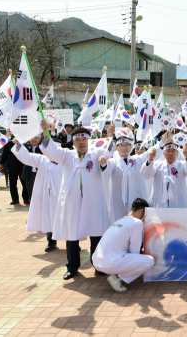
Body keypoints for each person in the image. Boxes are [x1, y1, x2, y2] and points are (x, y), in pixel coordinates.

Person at [39, 120, 115, 280]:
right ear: (73, 142)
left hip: (93, 202)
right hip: (72, 202)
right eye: (78, 140)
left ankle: (97, 265)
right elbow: (51, 151)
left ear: (89, 141)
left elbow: (107, 152)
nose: (82, 143)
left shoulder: (94, 154)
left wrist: (110, 136)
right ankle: (72, 267)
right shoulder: (67, 155)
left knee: (96, 233)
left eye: (84, 140)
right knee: (71, 233)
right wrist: (46, 133)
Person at [12, 136, 63, 252]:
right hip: (46, 194)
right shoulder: (42, 159)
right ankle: (51, 241)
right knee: (48, 215)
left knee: (66, 217)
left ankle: (73, 242)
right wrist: (19, 145)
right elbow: (27, 157)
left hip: (62, 194)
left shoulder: (66, 159)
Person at [92, 198, 155, 292]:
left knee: (131, 258)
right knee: (150, 261)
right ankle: (116, 277)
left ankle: (117, 274)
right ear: (142, 211)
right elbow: (135, 250)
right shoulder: (137, 223)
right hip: (110, 264)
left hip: (96, 262)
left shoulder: (120, 220)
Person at [102, 130, 161, 223]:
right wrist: (103, 163)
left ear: (131, 147)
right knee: (120, 225)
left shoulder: (137, 159)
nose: (124, 148)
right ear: (116, 147)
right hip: (119, 202)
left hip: (136, 200)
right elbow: (106, 171)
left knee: (138, 225)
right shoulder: (113, 162)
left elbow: (151, 152)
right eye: (121, 145)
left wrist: (163, 140)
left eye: (127, 145)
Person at [140, 139, 187, 208]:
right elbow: (146, 175)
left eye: (173, 151)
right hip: (160, 205)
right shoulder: (157, 165)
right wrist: (150, 159)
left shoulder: (182, 165)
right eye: (168, 151)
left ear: (177, 153)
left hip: (179, 205)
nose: (170, 153)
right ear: (164, 153)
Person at [0, 131, 29, 205]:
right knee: (12, 183)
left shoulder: (25, 137)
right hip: (12, 165)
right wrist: (1, 163)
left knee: (25, 183)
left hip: (23, 164)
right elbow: (5, 152)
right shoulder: (9, 139)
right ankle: (15, 199)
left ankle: (26, 198)